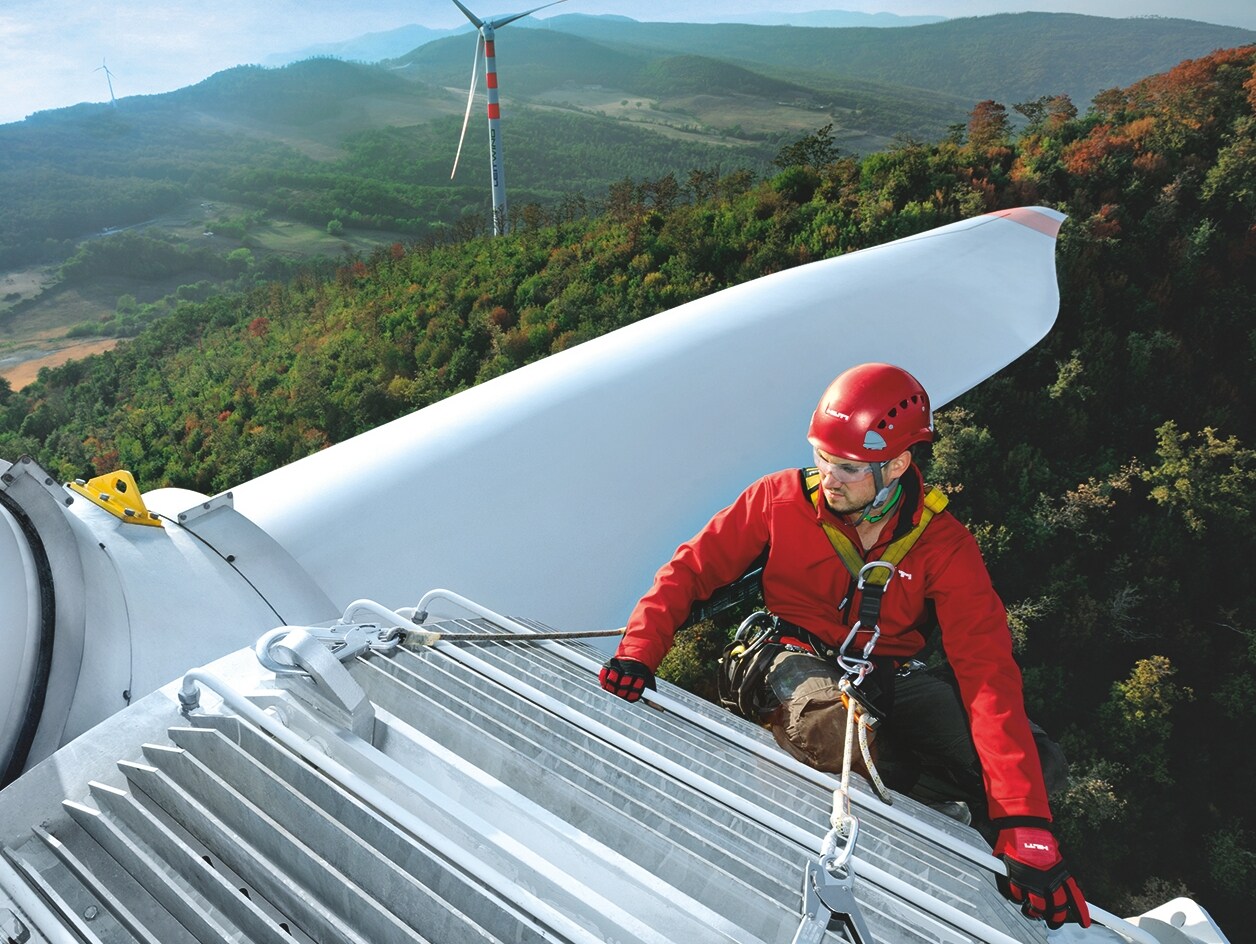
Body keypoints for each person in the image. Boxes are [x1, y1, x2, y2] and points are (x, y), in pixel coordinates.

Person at [599, 362, 1090, 931]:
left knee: (1039, 766)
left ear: (897, 465)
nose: (829, 478)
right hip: (789, 653)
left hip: (887, 671)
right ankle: (919, 802)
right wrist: (639, 651)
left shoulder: (943, 546)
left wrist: (1026, 824)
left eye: (849, 467)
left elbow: (987, 674)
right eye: (822, 457)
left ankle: (975, 839)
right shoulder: (779, 498)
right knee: (838, 732)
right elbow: (691, 569)